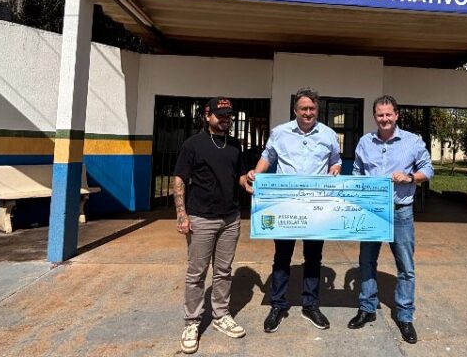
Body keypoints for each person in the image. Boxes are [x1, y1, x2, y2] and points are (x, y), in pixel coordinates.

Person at [245, 87, 342, 333]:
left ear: (317, 109)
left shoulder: (329, 134)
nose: (308, 113)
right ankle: (278, 305)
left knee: (313, 257)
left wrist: (336, 169)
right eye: (303, 109)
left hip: (315, 206)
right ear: (295, 110)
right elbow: (268, 156)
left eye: (312, 108)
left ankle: (311, 305)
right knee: (282, 257)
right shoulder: (280, 132)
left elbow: (335, 160)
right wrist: (257, 172)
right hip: (285, 205)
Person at [347, 95, 434, 344]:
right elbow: (357, 172)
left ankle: (405, 316)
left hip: (400, 211)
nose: (384, 119)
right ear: (375, 116)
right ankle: (367, 308)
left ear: (396, 115)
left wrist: (410, 177)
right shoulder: (365, 142)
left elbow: (428, 169)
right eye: (380, 115)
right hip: (372, 211)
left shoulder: (412, 141)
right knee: (366, 261)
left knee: (405, 266)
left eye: (388, 114)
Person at [173, 97, 247, 354]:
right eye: (220, 115)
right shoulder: (193, 144)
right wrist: (182, 215)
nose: (226, 119)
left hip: (230, 218)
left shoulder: (235, 145)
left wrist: (250, 183)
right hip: (201, 218)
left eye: (228, 115)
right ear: (207, 116)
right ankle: (192, 322)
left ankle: (221, 315)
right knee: (196, 274)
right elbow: (180, 179)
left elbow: (239, 177)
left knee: (223, 271)